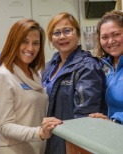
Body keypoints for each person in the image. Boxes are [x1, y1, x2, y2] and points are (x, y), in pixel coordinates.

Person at [0, 18, 62, 154]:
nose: (30, 48)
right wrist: (39, 132)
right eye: (24, 42)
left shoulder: (36, 74)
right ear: (14, 42)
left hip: (38, 148)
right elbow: (4, 126)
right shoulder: (3, 76)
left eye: (36, 43)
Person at [41, 12, 107, 154]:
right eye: (56, 33)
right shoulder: (48, 67)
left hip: (70, 143)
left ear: (77, 33)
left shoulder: (88, 67)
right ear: (51, 39)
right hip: (49, 139)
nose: (62, 36)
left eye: (67, 30)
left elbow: (84, 117)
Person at [89, 10, 123, 125]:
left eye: (116, 34)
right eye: (104, 37)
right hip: (106, 133)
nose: (110, 41)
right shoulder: (99, 66)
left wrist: (115, 120)